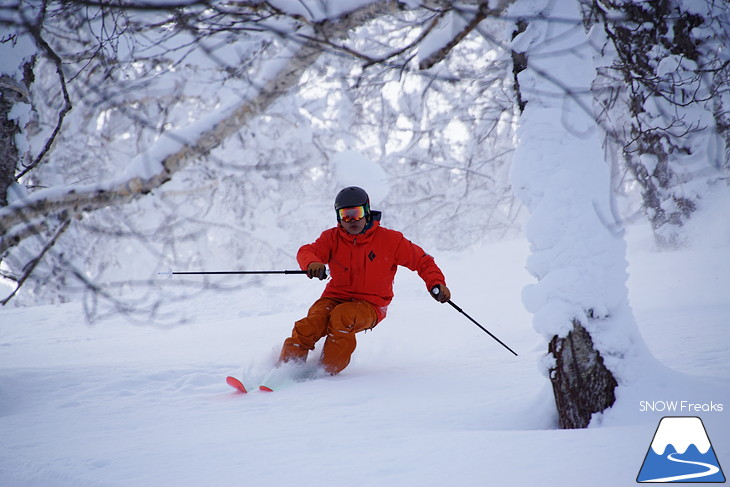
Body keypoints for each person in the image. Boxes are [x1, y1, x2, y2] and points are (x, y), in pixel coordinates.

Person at [278, 186, 451, 375]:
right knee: (311, 323)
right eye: (346, 215)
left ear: (367, 212)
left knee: (342, 317)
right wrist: (312, 263)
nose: (352, 220)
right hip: (334, 297)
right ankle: (285, 370)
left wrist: (436, 283)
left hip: (371, 304)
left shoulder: (390, 240)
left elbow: (422, 260)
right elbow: (307, 251)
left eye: (357, 213)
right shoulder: (332, 238)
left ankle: (325, 372)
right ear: (338, 217)